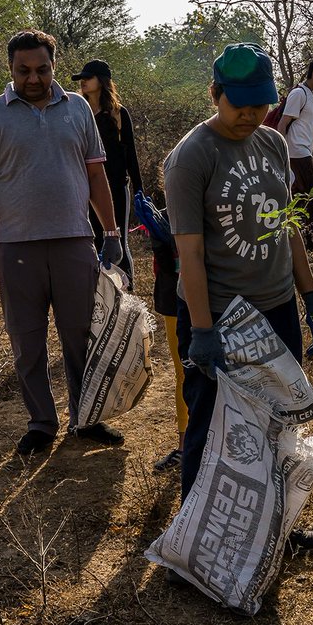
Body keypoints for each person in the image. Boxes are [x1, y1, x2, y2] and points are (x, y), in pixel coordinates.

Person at [164, 42, 313, 560]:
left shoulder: (272, 145)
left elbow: (287, 228)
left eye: (260, 104)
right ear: (215, 95)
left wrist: (310, 295)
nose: (250, 115)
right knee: (210, 428)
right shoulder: (192, 156)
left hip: (275, 307)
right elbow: (188, 255)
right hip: (223, 317)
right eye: (239, 104)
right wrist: (203, 329)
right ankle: (195, 542)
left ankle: (275, 525)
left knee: (278, 426)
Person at [0, 30, 124, 456]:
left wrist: (111, 233)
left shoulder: (76, 108)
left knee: (80, 337)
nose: (33, 78)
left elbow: (95, 174)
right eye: (24, 70)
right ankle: (41, 423)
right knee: (27, 341)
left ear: (54, 66)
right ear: (10, 68)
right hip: (16, 246)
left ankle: (86, 418)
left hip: (75, 240)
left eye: (42, 69)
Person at [74, 59, 144, 288]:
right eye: (82, 78)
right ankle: (103, 297)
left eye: (88, 77)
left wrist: (139, 191)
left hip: (116, 187)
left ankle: (127, 296)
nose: (83, 81)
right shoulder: (77, 111)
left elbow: (130, 155)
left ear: (102, 81)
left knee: (117, 240)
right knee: (94, 241)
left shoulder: (117, 113)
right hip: (86, 188)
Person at [133, 190, 188, 472]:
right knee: (185, 373)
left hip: (214, 299)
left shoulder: (219, 207)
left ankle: (193, 446)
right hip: (175, 302)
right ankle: (185, 447)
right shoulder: (162, 218)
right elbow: (166, 268)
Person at [277, 56, 313, 249]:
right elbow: (283, 124)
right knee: (311, 198)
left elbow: (307, 129)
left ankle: (304, 242)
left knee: (303, 199)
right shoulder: (299, 94)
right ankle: (310, 244)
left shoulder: (310, 95)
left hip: (303, 153)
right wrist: (282, 155)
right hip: (295, 154)